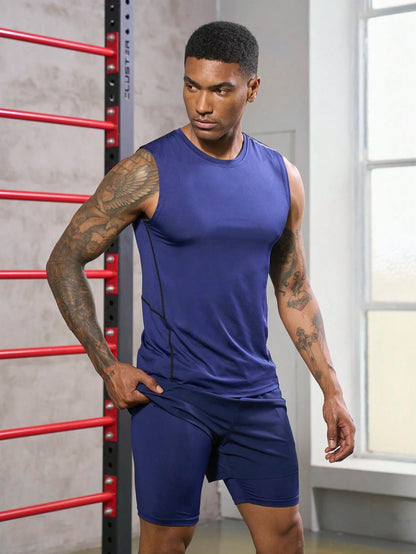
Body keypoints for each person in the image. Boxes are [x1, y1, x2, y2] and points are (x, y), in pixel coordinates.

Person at [47, 21, 355, 554]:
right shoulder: (146, 172)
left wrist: (332, 389)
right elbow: (63, 260)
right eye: (192, 86)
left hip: (254, 395)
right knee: (167, 543)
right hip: (173, 396)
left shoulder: (282, 177)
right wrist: (107, 365)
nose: (202, 105)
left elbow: (294, 290)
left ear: (252, 89)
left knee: (286, 537)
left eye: (219, 89)